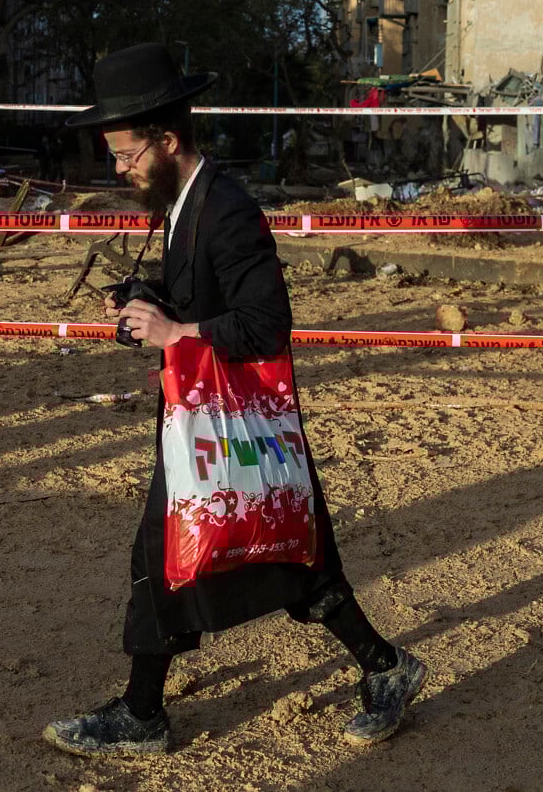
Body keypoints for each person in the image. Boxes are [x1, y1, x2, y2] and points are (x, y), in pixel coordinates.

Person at [43, 43, 426, 758]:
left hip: (233, 419)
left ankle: (144, 713)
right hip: (204, 420)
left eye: (126, 156)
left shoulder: (227, 208)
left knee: (260, 559)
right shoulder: (184, 201)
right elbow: (200, 293)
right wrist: (147, 302)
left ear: (165, 138)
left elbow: (268, 322)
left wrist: (176, 328)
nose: (120, 170)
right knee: (270, 560)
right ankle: (383, 666)